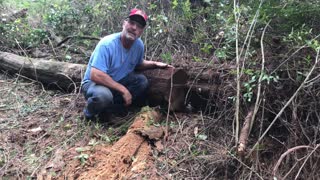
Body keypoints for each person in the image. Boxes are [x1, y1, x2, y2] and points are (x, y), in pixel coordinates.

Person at [81, 8, 172, 120]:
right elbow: (95, 75)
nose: (134, 28)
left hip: (116, 81)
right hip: (93, 84)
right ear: (124, 24)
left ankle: (112, 109)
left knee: (141, 81)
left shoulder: (138, 45)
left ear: (141, 31)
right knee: (103, 96)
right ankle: (90, 115)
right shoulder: (107, 44)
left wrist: (155, 64)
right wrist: (123, 90)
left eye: (139, 26)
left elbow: (137, 64)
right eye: (132, 23)